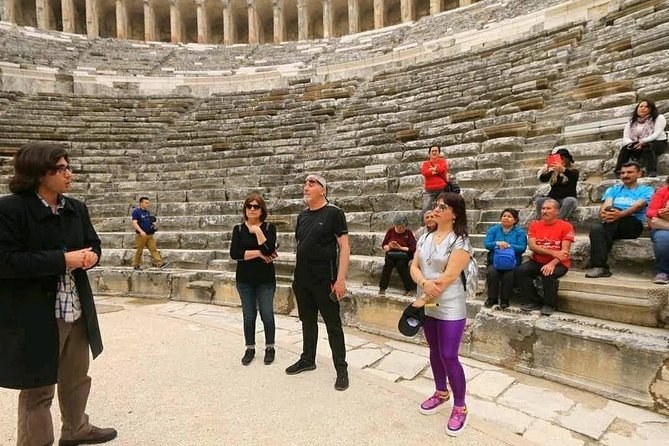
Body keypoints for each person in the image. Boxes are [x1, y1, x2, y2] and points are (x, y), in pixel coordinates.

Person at [0, 142, 117, 446]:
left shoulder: (75, 208)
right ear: (40, 173)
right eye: (62, 168)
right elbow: (6, 261)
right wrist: (62, 260)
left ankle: (76, 429)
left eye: (69, 167)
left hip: (75, 309)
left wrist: (93, 256)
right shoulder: (10, 210)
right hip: (36, 313)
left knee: (77, 377)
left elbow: (94, 243)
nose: (70, 174)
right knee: (38, 387)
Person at [409, 192, 473, 437]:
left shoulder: (460, 241)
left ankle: (460, 406)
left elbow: (449, 276)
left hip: (449, 304)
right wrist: (424, 283)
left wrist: (424, 293)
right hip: (428, 301)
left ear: (454, 214)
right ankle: (440, 392)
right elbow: (413, 265)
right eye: (436, 205)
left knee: (449, 354)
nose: (436, 209)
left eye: (442, 207)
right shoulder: (425, 236)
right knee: (434, 350)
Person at [285, 174, 351, 391]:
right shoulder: (302, 216)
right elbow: (302, 245)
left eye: (311, 184)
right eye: (305, 184)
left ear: (322, 190)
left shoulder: (334, 213)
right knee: (307, 321)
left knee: (333, 325)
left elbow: (345, 247)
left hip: (325, 280)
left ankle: (341, 370)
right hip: (302, 279)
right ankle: (308, 359)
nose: (306, 187)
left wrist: (340, 279)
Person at [230, 193, 277, 365]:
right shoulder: (238, 229)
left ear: (261, 210)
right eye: (249, 206)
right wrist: (258, 253)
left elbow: (269, 249)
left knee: (267, 315)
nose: (251, 209)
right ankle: (250, 348)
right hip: (244, 280)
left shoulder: (269, 228)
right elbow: (235, 254)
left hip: (265, 280)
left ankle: (270, 348)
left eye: (255, 206)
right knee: (249, 316)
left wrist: (257, 230)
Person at [586, 162, 654, 278]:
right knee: (596, 230)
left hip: (633, 224)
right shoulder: (614, 189)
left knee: (606, 222)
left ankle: (600, 262)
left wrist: (620, 214)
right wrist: (604, 212)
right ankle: (600, 267)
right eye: (622, 173)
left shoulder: (646, 190)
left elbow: (637, 206)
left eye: (629, 172)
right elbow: (607, 204)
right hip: (612, 223)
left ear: (639, 174)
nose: (625, 175)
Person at [518, 199, 574, 316]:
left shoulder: (566, 226)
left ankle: (549, 304)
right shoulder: (535, 225)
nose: (544, 211)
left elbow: (564, 252)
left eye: (548, 208)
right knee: (520, 271)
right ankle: (534, 301)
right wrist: (553, 252)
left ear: (557, 211)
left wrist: (552, 263)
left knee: (548, 273)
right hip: (537, 260)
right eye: (543, 208)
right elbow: (532, 245)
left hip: (559, 262)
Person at [483, 208, 527, 308]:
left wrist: (509, 245)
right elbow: (487, 244)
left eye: (509, 216)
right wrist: (497, 243)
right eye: (504, 216)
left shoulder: (519, 232)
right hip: (495, 261)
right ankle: (492, 299)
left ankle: (505, 300)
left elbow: (522, 248)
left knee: (509, 275)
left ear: (515, 220)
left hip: (512, 262)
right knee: (492, 273)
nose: (506, 218)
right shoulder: (493, 230)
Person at [614, 99, 667, 177]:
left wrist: (643, 141)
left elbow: (656, 134)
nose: (643, 108)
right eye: (641, 106)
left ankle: (651, 171)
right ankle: (619, 171)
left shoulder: (659, 117)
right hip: (637, 143)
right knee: (625, 149)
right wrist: (633, 144)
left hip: (658, 142)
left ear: (651, 109)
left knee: (647, 147)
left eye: (646, 107)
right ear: (637, 108)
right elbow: (626, 137)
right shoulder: (632, 121)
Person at [535, 148, 579, 220]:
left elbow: (573, 178)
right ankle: (541, 221)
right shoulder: (554, 171)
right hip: (553, 198)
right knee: (539, 201)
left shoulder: (573, 171)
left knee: (570, 201)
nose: (562, 160)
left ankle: (558, 221)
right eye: (560, 158)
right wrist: (544, 172)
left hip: (566, 198)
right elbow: (543, 179)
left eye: (564, 158)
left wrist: (563, 170)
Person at [378, 215, 417, 296]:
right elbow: (384, 245)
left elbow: (412, 248)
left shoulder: (408, 233)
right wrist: (389, 246)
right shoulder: (391, 231)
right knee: (388, 265)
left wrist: (400, 247)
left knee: (401, 265)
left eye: (402, 227)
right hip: (391, 253)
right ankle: (382, 288)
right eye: (398, 227)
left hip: (404, 254)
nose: (400, 229)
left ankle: (408, 289)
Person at [130, 197, 167, 270]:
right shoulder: (136, 212)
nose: (148, 204)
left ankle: (159, 263)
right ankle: (136, 265)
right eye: (146, 203)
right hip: (141, 235)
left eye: (148, 203)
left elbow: (148, 222)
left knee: (153, 249)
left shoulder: (147, 212)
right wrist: (141, 231)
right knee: (139, 250)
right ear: (141, 203)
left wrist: (153, 227)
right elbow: (134, 223)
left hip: (149, 234)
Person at [646, 176, 669, 284]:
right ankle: (663, 271)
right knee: (663, 238)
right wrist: (659, 213)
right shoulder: (662, 191)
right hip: (664, 226)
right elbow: (650, 212)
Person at [420, 145, 448, 221]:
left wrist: (433, 170)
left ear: (439, 153)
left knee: (443, 208)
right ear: (429, 154)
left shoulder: (443, 161)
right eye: (433, 151)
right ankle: (423, 227)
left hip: (442, 189)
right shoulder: (425, 163)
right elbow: (425, 172)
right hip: (430, 190)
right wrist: (436, 170)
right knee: (425, 209)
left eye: (436, 151)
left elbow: (443, 169)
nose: (434, 152)